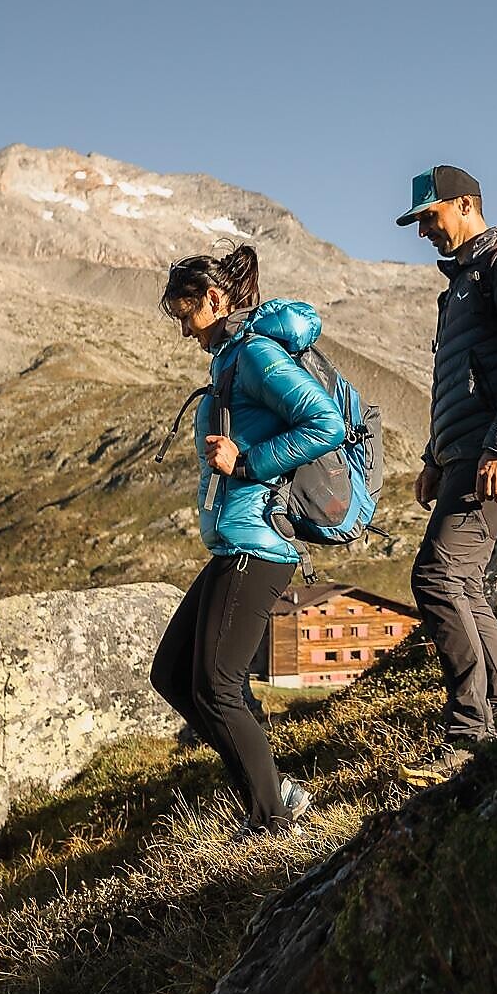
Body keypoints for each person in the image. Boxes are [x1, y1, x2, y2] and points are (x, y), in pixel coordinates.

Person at [151, 246, 344, 837]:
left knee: (215, 685)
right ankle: (273, 787)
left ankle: (274, 818)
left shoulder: (256, 355)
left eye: (186, 314)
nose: (185, 330)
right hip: (235, 544)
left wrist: (246, 462)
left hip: (259, 544)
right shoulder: (231, 361)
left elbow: (326, 422)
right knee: (174, 673)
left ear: (214, 299)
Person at [396, 166, 497, 785]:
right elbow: (461, 381)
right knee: (461, 583)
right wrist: (435, 460)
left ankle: (469, 732)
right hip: (468, 453)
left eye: (429, 217)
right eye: (416, 222)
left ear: (465, 205)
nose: (422, 233)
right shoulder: (462, 282)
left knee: (436, 577)